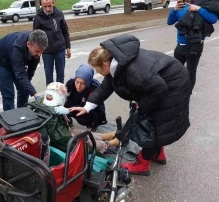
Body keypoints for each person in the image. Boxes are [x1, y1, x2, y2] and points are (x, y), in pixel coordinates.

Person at [71, 34, 192, 176]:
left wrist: (142, 108)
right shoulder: (118, 63)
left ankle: (142, 164)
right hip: (164, 81)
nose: (98, 73)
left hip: (172, 86)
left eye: (97, 69)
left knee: (153, 125)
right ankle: (158, 154)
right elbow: (106, 87)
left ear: (105, 64)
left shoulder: (132, 72)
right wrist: (86, 107)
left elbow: (159, 89)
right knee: (153, 122)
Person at [167, 0, 219, 92]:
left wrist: (198, 9)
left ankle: (187, 94)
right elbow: (169, 22)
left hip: (194, 46)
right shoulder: (183, 7)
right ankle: (176, 90)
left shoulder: (204, 6)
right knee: (175, 70)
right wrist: (175, 9)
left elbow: (213, 19)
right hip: (180, 45)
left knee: (190, 72)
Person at [0, 30, 48, 111]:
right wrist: (35, 94)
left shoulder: (36, 50)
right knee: (8, 94)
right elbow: (20, 74)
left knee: (24, 89)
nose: (39, 55)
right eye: (37, 51)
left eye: (41, 52)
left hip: (16, 61)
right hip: (1, 62)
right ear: (28, 44)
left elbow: (30, 72)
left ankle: (21, 114)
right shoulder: (17, 46)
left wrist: (27, 86)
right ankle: (10, 120)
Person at [53, 64, 107, 131]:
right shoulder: (71, 83)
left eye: (82, 83)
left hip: (90, 108)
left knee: (86, 117)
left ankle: (92, 124)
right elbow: (63, 93)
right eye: (77, 82)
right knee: (63, 102)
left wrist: (69, 111)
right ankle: (67, 119)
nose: (78, 86)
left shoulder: (95, 88)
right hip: (78, 102)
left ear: (88, 82)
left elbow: (95, 106)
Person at [33, 0, 71, 86]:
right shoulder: (38, 17)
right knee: (49, 75)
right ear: (41, 5)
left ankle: (60, 95)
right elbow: (35, 36)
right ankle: (50, 95)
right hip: (47, 51)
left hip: (60, 49)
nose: (47, 9)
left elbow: (65, 31)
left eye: (49, 6)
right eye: (45, 6)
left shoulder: (59, 14)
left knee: (60, 74)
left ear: (54, 3)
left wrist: (68, 47)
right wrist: (37, 52)